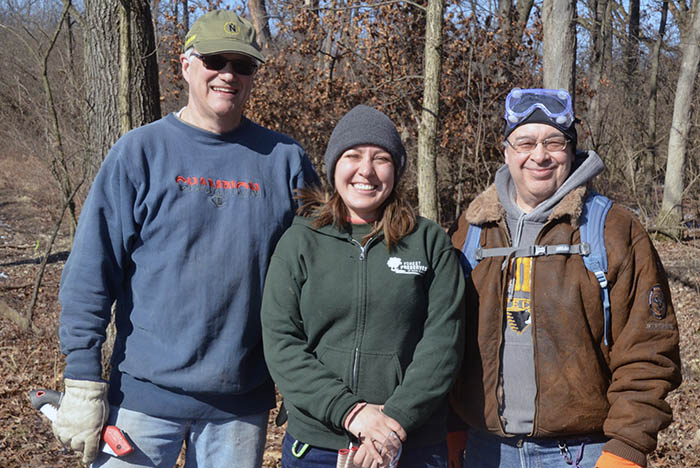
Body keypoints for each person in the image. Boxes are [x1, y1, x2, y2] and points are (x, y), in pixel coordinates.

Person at [53, 10, 318, 468]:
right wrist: (81, 379)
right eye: (216, 60)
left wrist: (310, 381)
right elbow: (92, 270)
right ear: (186, 65)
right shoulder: (140, 152)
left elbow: (322, 278)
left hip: (239, 404)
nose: (228, 75)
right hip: (141, 399)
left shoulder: (285, 160)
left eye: (244, 65)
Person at [448, 88, 681, 468]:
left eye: (553, 142)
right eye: (525, 142)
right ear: (506, 151)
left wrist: (627, 449)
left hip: (582, 453)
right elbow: (447, 343)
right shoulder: (471, 231)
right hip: (484, 450)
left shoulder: (611, 230)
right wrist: (452, 428)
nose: (539, 155)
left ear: (570, 151)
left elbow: (649, 352)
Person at [261, 105, 465, 468]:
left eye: (381, 158)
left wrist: (394, 422)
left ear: (397, 170)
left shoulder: (428, 241)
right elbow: (281, 342)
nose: (366, 170)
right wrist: (351, 413)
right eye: (353, 156)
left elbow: (444, 342)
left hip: (412, 445)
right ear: (334, 166)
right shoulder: (300, 241)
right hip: (317, 445)